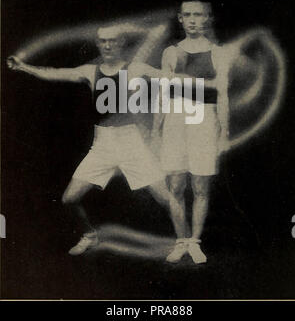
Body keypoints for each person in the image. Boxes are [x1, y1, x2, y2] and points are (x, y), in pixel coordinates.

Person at [7, 24, 174, 256]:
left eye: (112, 41)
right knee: (69, 198)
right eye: (103, 41)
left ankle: (187, 240)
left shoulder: (134, 68)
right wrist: (24, 67)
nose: (107, 45)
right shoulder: (89, 71)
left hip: (131, 142)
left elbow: (169, 77)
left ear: (121, 43)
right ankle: (90, 235)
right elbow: (55, 73)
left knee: (165, 197)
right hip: (103, 144)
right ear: (99, 44)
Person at [156, 0, 230, 264]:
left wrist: (224, 134)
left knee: (200, 185)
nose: (193, 19)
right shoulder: (171, 52)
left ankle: (195, 242)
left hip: (204, 120)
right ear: (180, 18)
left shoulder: (218, 53)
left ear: (208, 18)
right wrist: (156, 131)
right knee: (175, 184)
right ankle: (181, 240)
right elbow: (163, 97)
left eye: (198, 14)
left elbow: (221, 95)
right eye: (187, 14)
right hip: (176, 119)